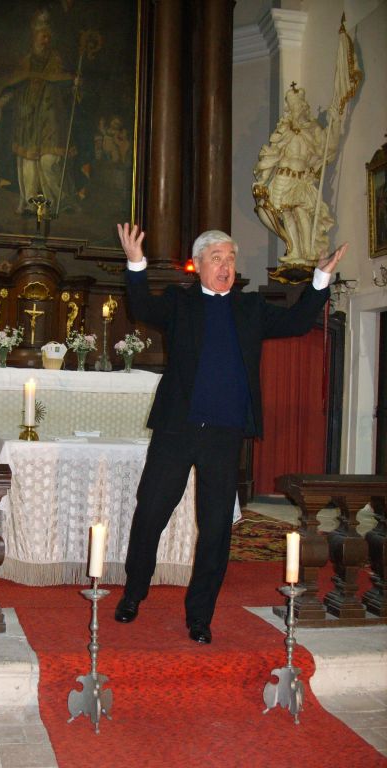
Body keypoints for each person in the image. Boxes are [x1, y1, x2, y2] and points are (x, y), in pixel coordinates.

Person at [114, 223, 346, 643]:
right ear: (198, 264)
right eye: (216, 258)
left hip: (225, 433)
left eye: (230, 259)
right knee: (150, 514)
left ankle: (200, 615)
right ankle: (134, 592)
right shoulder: (180, 303)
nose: (225, 266)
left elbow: (297, 321)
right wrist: (135, 263)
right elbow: (142, 306)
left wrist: (320, 277)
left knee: (217, 528)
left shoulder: (250, 307)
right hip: (176, 429)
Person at [0, 9, 80, 216]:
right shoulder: (26, 62)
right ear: (34, 37)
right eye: (42, 36)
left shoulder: (57, 61)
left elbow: (67, 87)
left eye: (48, 36)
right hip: (28, 121)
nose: (45, 40)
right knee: (29, 164)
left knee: (50, 162)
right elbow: (13, 88)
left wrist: (75, 85)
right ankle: (33, 205)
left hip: (52, 120)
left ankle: (60, 202)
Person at [253, 84, 341, 267]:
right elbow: (272, 155)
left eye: (297, 106)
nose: (295, 109)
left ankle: (307, 252)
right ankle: (294, 251)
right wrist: (263, 180)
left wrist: (335, 123)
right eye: (292, 106)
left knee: (301, 212)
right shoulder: (284, 128)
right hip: (282, 177)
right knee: (286, 214)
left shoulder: (313, 128)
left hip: (300, 178)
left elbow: (328, 148)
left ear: (304, 107)